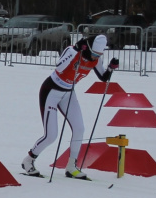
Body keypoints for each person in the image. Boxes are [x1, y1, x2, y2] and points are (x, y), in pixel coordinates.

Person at [20, 34, 118, 180]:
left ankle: (72, 166)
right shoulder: (72, 50)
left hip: (68, 93)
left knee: (80, 128)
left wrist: (111, 68)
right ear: (88, 48)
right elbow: (59, 67)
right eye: (93, 53)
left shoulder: (96, 58)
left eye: (98, 55)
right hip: (51, 90)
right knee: (51, 135)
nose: (94, 57)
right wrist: (75, 52)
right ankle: (28, 160)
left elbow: (103, 77)